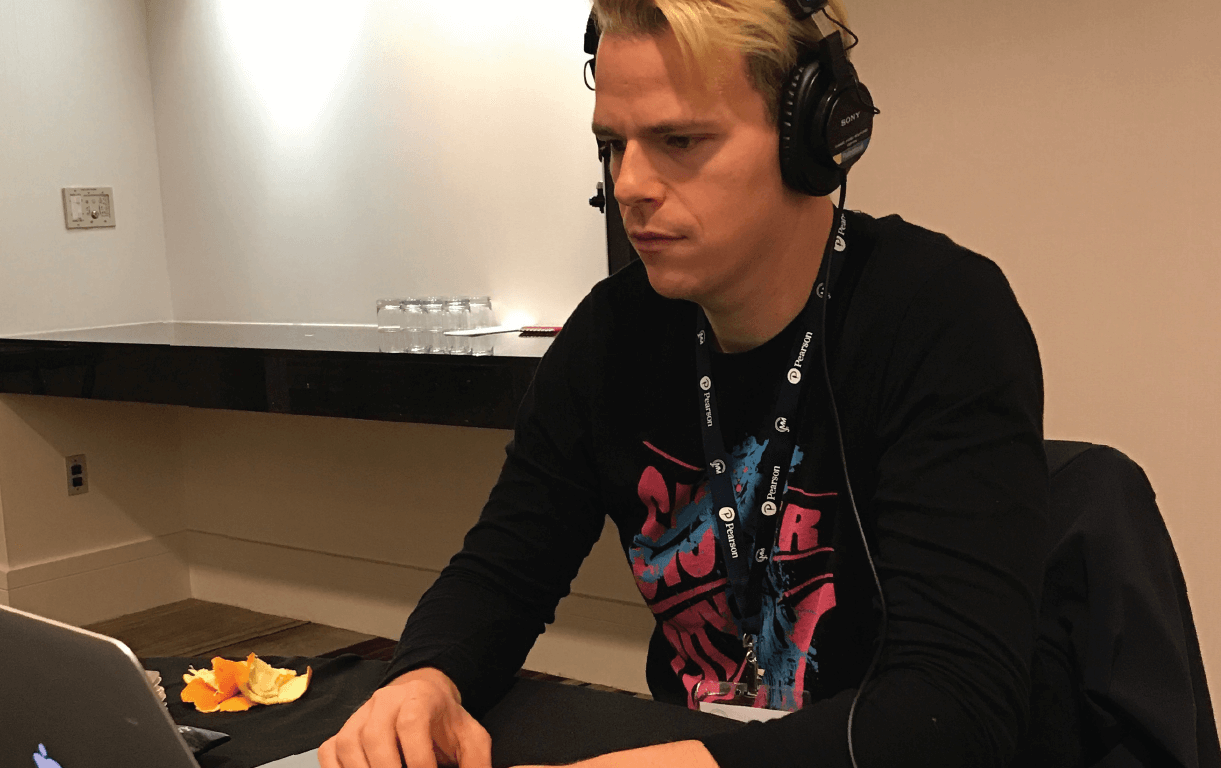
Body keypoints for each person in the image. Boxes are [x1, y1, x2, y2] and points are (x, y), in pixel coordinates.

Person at [320, 0, 1048, 766]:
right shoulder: (611, 334)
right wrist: (425, 677)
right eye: (613, 145)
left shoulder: (937, 315)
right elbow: (502, 572)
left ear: (812, 137)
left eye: (679, 141)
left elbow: (957, 709)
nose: (630, 184)